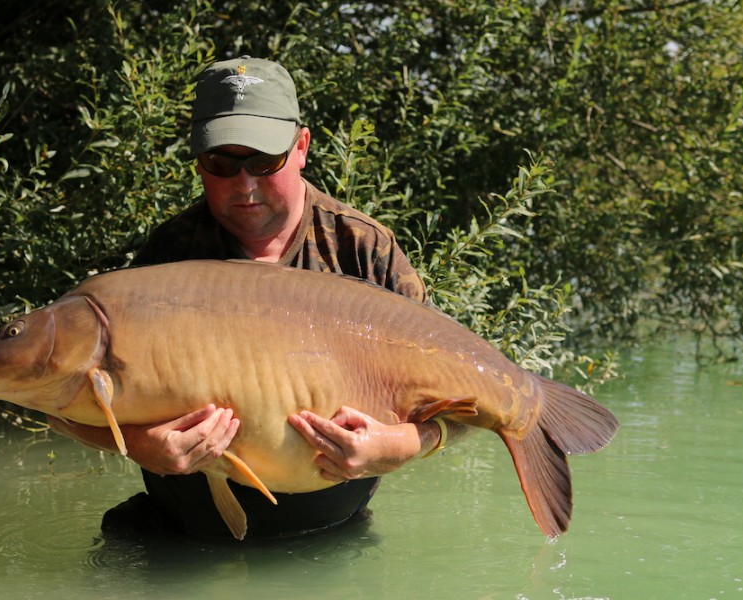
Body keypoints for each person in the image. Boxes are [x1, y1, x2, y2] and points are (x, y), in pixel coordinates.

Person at [48, 56, 466, 539]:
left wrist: (402, 445)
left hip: (333, 540)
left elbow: (464, 404)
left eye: (265, 161)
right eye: (221, 163)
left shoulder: (362, 249)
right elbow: (61, 404)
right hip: (183, 539)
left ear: (302, 146)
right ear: (198, 160)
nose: (244, 185)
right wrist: (137, 444)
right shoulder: (168, 258)